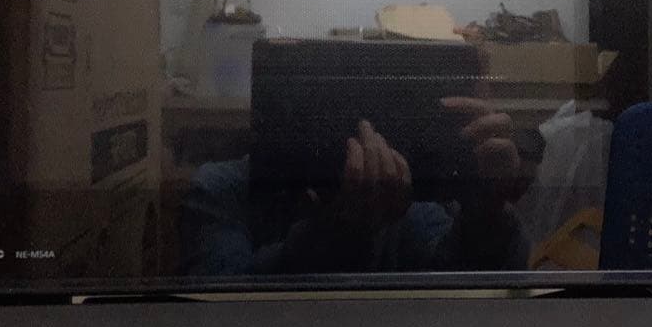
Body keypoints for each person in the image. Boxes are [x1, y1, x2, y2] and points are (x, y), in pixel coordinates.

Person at [179, 97, 531, 276]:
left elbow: (472, 288)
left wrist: (487, 212)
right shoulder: (223, 191)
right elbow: (222, 316)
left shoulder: (409, 198)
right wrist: (339, 231)